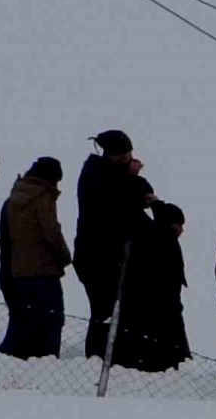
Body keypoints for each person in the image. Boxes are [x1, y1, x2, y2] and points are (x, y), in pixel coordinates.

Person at [73, 130, 149, 359]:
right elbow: (116, 204)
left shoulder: (107, 173)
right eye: (126, 154)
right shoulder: (98, 175)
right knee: (104, 310)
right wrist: (132, 177)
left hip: (102, 254)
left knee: (110, 309)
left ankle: (108, 356)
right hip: (97, 255)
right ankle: (98, 357)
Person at [0, 157, 71, 360]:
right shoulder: (42, 197)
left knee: (24, 321)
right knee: (52, 321)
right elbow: (51, 231)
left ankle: (5, 360)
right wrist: (64, 257)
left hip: (17, 272)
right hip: (44, 271)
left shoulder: (13, 198)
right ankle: (47, 363)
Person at [112, 199, 191, 372]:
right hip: (161, 306)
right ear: (172, 224)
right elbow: (167, 276)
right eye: (179, 224)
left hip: (148, 305)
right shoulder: (164, 239)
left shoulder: (151, 234)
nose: (182, 230)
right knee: (161, 346)